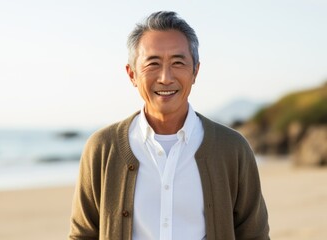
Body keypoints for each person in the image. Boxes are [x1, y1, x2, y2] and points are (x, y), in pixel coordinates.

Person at [69, 11, 269, 240]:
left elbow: (255, 235)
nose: (165, 77)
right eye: (153, 63)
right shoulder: (102, 148)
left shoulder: (232, 148)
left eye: (178, 62)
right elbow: (82, 235)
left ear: (195, 71)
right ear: (132, 74)